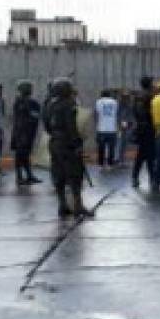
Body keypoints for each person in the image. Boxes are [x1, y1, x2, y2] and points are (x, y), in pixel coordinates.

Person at [42, 78, 94, 219]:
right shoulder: (68, 104)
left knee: (59, 175)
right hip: (67, 144)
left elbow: (46, 124)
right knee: (75, 175)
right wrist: (77, 144)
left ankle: (62, 205)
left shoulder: (49, 104)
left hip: (54, 142)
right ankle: (78, 206)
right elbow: (71, 127)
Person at [11, 81, 42, 187]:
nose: (30, 90)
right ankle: (19, 177)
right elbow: (22, 117)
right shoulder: (20, 101)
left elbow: (36, 115)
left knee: (26, 154)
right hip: (21, 132)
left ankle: (29, 175)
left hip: (28, 132)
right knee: (20, 155)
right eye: (28, 88)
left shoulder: (29, 102)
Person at [132, 76, 158, 190]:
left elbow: (136, 112)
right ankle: (151, 178)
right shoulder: (150, 96)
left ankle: (136, 177)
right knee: (149, 154)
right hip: (149, 128)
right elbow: (151, 113)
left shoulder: (138, 96)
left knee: (142, 154)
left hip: (141, 128)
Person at [94, 89, 119, 168]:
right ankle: (110, 164)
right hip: (112, 128)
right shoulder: (115, 102)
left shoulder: (98, 102)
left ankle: (101, 164)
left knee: (101, 147)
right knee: (111, 147)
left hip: (101, 128)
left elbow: (96, 114)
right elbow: (117, 113)